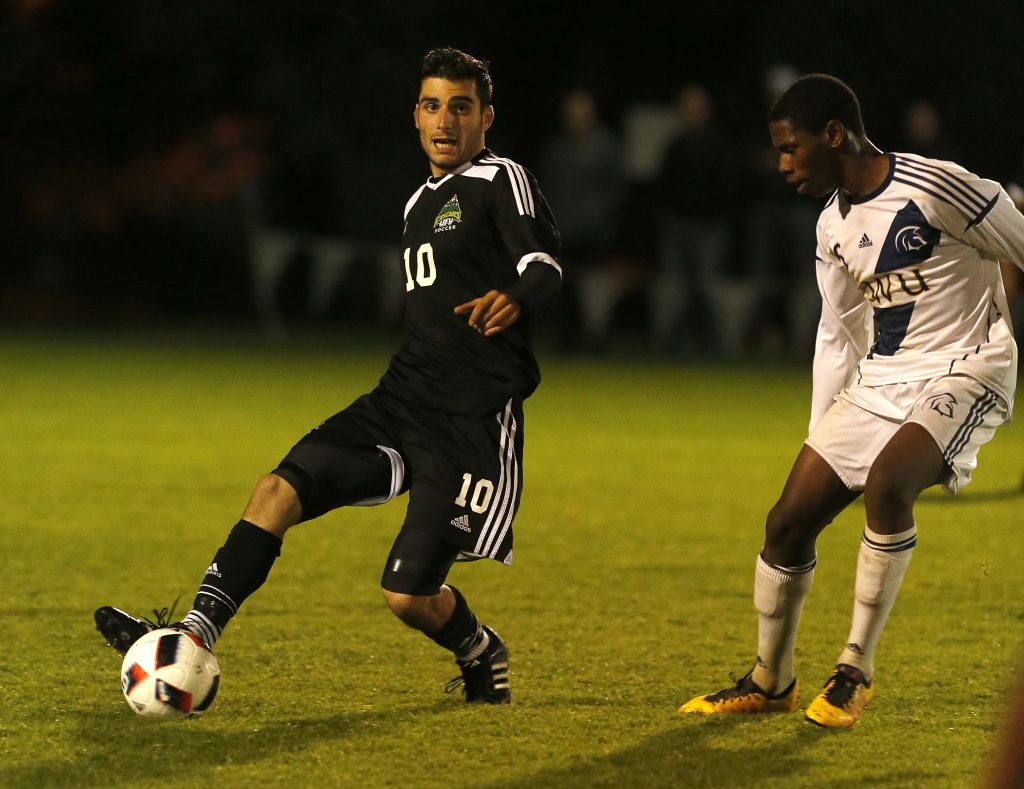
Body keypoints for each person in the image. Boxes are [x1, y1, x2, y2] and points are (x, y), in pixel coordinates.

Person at [94, 47, 562, 705]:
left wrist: (516, 295)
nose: (445, 121)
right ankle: (194, 634)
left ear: (487, 116)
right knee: (275, 491)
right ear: (416, 115)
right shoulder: (415, 204)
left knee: (406, 595)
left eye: (461, 107)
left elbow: (544, 260)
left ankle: (480, 649)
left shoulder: (499, 177)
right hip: (402, 396)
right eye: (433, 105)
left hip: (471, 418)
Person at [679, 74, 1024, 728]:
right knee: (785, 523)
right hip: (882, 379)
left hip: (967, 368)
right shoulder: (831, 223)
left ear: (833, 134)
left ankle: (854, 669)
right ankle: (769, 679)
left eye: (791, 148)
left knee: (889, 485)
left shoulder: (941, 185)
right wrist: (821, 436)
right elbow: (838, 332)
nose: (782, 165)